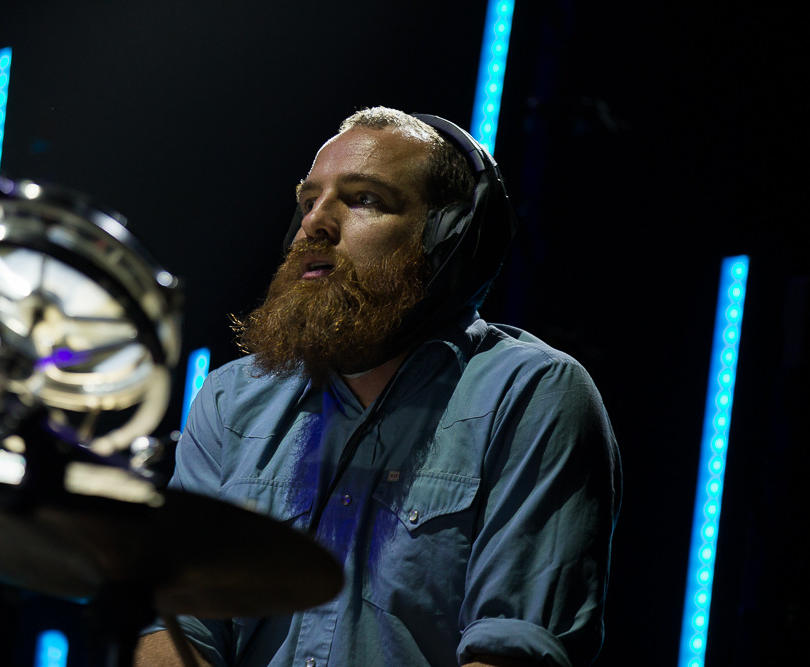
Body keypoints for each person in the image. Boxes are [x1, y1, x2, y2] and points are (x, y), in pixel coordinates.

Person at [136, 107, 621, 667]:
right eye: (308, 202)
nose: (315, 224)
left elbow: (515, 651)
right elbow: (178, 624)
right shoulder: (230, 399)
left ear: (449, 240)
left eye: (363, 199)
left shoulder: (532, 394)